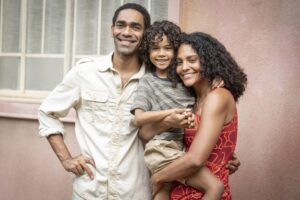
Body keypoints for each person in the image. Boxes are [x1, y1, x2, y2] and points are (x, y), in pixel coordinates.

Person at [38, 3, 240, 199]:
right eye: (121, 25)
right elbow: (47, 112)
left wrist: (222, 154)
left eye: (135, 27)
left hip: (138, 192)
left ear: (144, 35)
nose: (126, 32)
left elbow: (204, 116)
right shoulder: (85, 72)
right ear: (112, 30)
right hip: (90, 192)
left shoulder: (166, 78)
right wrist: (66, 159)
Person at [131, 20, 224, 200]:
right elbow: (138, 119)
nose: (161, 54)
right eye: (155, 48)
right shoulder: (148, 82)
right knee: (215, 187)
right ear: (147, 52)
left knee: (162, 194)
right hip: (161, 149)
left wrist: (217, 79)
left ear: (176, 51)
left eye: (167, 48)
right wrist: (170, 114)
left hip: (180, 148)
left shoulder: (185, 80)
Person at [150, 32, 247, 200]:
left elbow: (195, 159)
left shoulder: (218, 97)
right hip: (181, 191)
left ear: (209, 61)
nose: (184, 67)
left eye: (192, 60)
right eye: (179, 62)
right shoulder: (192, 101)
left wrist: (158, 177)